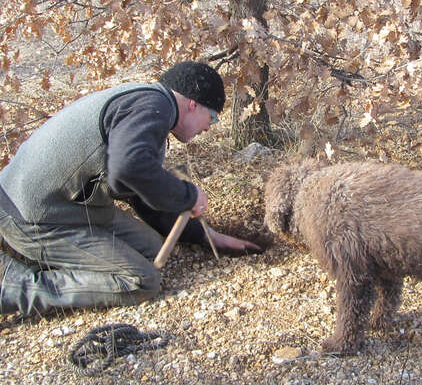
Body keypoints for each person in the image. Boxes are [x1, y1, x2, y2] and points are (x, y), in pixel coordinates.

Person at [0, 61, 260, 316]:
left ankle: (53, 257)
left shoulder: (149, 107)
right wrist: (188, 195)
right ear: (193, 104)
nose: (208, 128)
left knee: (152, 247)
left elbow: (132, 187)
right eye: (212, 118)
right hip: (31, 216)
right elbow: (130, 168)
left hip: (70, 206)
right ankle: (13, 285)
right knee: (141, 280)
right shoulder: (153, 107)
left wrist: (206, 236)